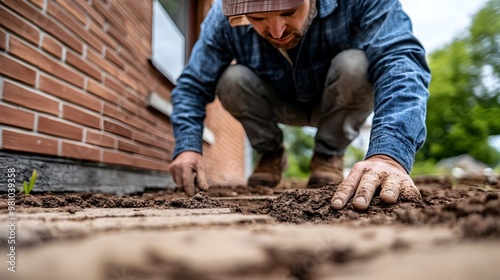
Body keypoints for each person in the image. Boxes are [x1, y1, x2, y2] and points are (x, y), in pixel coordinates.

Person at [169, 0, 430, 210]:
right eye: (258, 19)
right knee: (230, 79)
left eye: (289, 12)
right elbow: (193, 85)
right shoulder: (222, 19)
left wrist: (389, 155)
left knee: (357, 65)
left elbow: (400, 61)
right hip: (277, 102)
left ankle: (328, 154)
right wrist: (187, 147)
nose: (277, 32)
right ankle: (270, 154)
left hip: (339, 98)